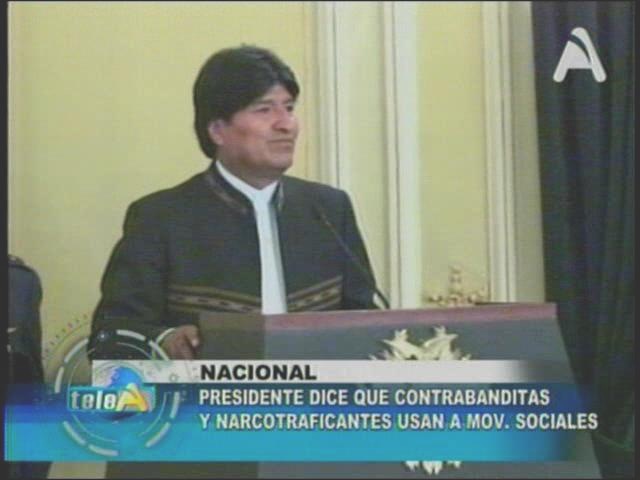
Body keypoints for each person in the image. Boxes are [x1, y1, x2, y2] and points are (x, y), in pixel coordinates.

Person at [91, 45, 378, 360]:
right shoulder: (160, 218)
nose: (286, 124)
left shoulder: (328, 209)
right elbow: (110, 338)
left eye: (289, 108)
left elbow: (366, 326)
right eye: (264, 110)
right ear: (217, 130)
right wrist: (166, 340)